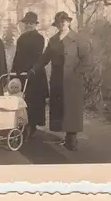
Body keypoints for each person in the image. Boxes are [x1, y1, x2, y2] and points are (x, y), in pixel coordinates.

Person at [30, 11, 89, 151]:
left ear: (69, 22)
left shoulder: (78, 39)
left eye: (64, 21)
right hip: (57, 79)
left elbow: (86, 59)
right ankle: (67, 137)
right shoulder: (53, 40)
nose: (62, 24)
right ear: (56, 24)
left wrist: (77, 73)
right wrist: (33, 70)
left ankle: (72, 139)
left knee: (71, 109)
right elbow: (45, 58)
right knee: (60, 108)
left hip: (72, 80)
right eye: (59, 22)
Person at [12, 11, 49, 137]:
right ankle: (23, 125)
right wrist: (14, 73)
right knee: (23, 100)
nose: (28, 25)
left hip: (35, 74)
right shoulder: (21, 38)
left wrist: (30, 70)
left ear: (35, 25)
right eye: (27, 23)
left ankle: (31, 127)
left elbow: (36, 56)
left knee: (34, 102)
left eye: (31, 23)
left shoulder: (39, 38)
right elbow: (17, 56)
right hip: (22, 74)